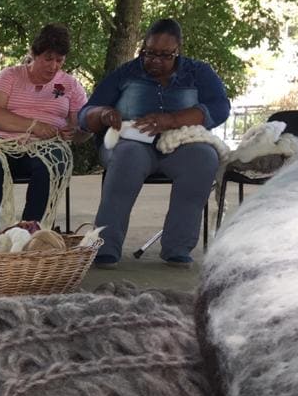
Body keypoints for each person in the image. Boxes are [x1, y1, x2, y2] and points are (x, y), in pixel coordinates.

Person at [79, 18, 230, 266]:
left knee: (204, 158)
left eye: (164, 55)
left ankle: (177, 247)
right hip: (130, 145)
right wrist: (103, 114)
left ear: (177, 51)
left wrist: (173, 119)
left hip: (179, 145)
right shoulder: (126, 73)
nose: (155, 61)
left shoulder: (198, 73)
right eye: (149, 53)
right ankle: (105, 246)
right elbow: (86, 113)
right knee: (128, 156)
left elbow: (220, 107)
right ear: (143, 47)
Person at [0, 23, 87, 234]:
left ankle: (27, 232)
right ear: (33, 53)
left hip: (47, 147)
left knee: (53, 163)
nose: (53, 66)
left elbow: (81, 129)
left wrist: (77, 132)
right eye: (48, 59)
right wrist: (34, 126)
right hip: (2, 143)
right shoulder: (10, 75)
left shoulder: (71, 85)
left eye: (59, 60)